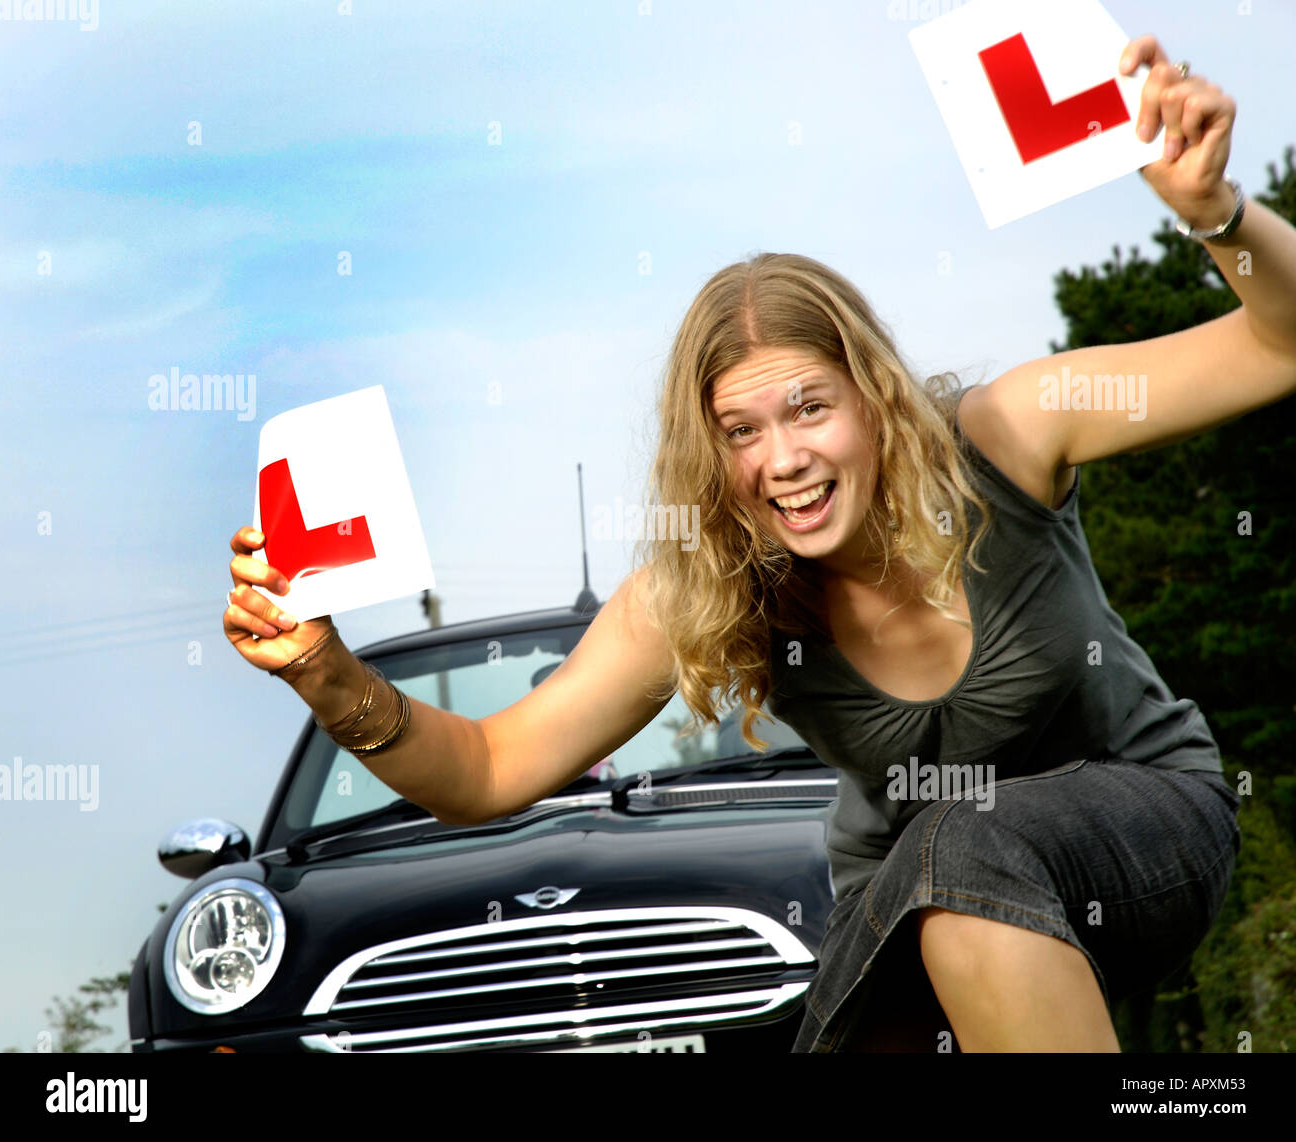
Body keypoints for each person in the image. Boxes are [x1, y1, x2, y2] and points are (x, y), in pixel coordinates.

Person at [224, 36, 1294, 1051]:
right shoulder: (708, 586)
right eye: (740, 430)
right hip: (917, 903)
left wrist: (1220, 213)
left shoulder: (1008, 433)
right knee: (920, 907)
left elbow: (1274, 344)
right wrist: (327, 675)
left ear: (873, 396)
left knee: (966, 847)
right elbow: (489, 765)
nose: (780, 457)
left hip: (1148, 822)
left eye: (808, 408)